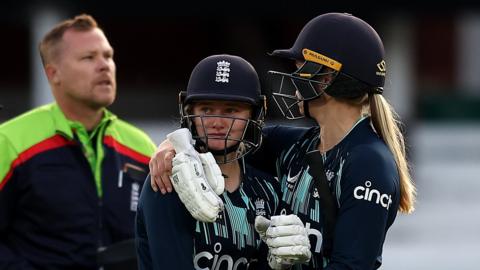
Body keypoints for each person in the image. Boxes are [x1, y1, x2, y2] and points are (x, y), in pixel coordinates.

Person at [149, 13, 416, 270]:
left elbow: (352, 265)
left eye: (299, 70)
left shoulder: (369, 162)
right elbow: (224, 135)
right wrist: (172, 147)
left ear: (326, 79)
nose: (294, 81)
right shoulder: (298, 145)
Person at [0, 14, 156, 269]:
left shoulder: (142, 147)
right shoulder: (11, 141)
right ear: (53, 74)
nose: (105, 65)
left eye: (108, 56)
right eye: (88, 57)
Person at [135, 54, 301, 270]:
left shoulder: (268, 190)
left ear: (256, 114)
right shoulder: (168, 180)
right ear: (189, 113)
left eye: (231, 110)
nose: (217, 122)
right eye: (206, 109)